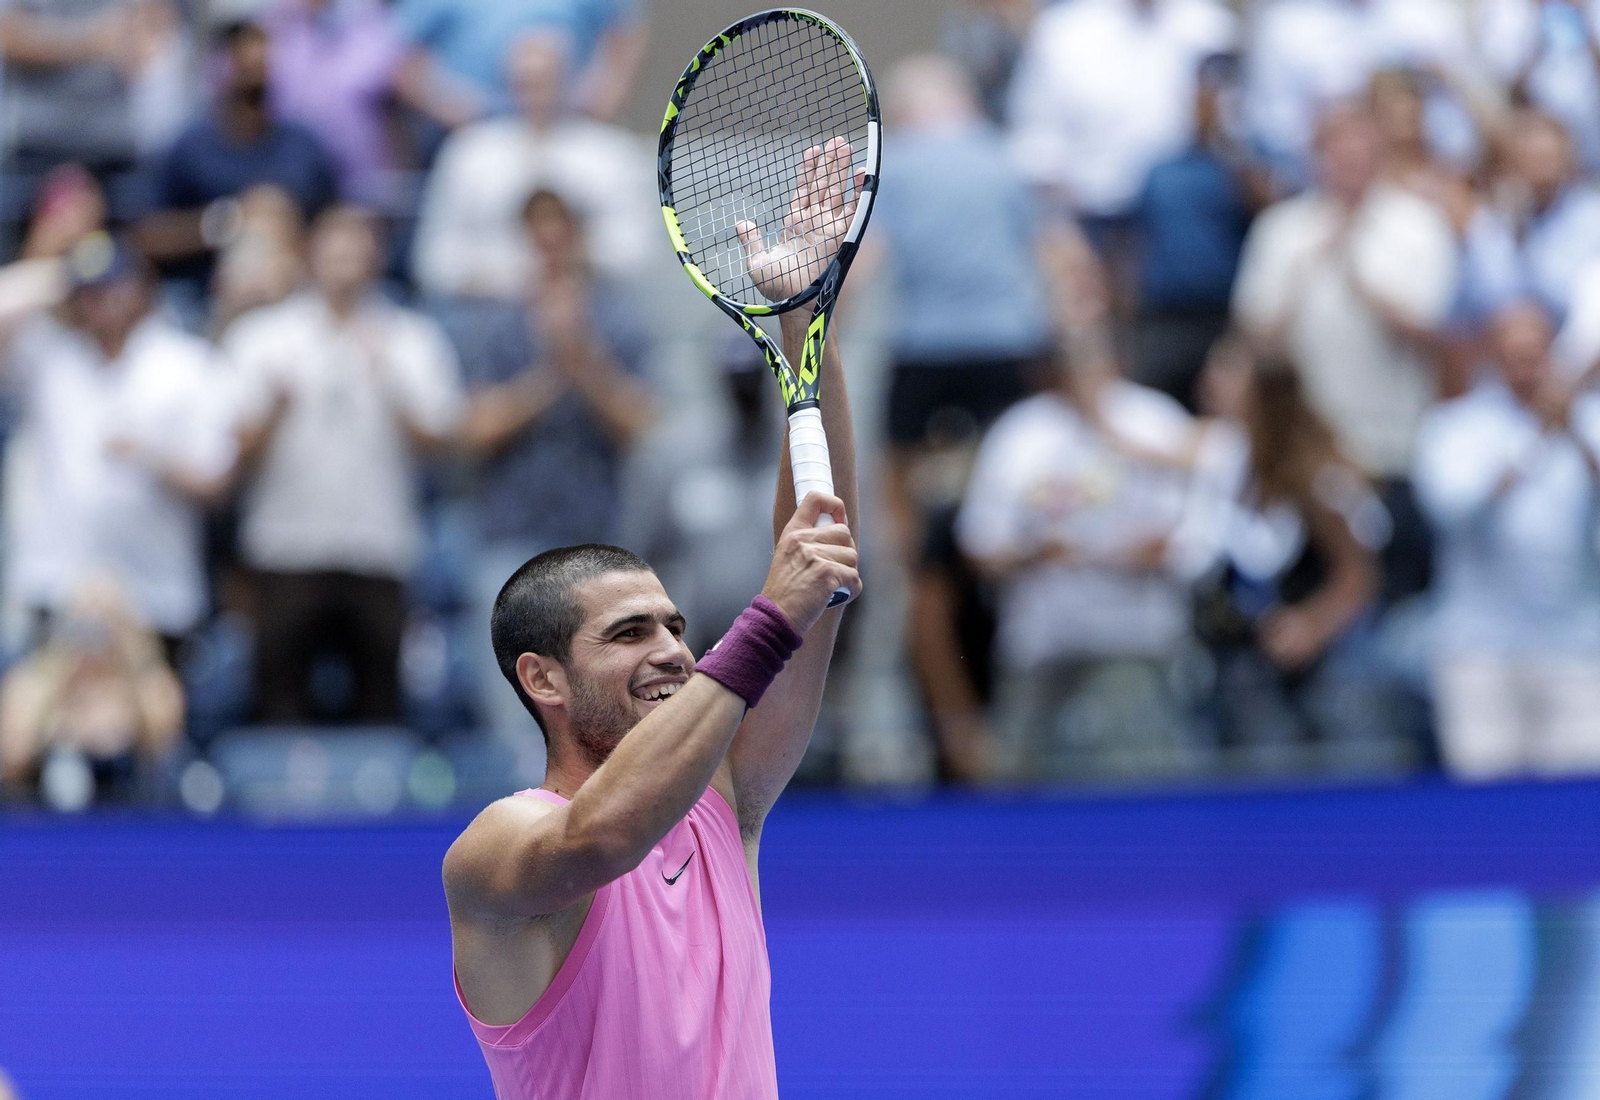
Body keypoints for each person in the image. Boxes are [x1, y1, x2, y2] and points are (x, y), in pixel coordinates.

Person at [443, 139, 863, 1098]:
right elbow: (601, 841)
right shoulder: (499, 848)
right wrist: (765, 619)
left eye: (674, 626)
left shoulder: (728, 790)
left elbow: (820, 535)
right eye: (628, 634)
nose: (672, 650)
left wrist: (807, 317)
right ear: (541, 678)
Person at [224, 206, 464, 725]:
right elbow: (232, 452)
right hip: (285, 546)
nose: (344, 263)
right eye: (333, 249)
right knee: (277, 705)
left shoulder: (411, 339)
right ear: (311, 254)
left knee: (379, 706)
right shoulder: (263, 337)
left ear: (376, 258)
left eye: (356, 249)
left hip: (379, 548)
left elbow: (439, 442)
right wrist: (273, 410)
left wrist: (393, 385)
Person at [956, 332, 1220, 783]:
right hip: (1038, 649)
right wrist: (1032, 553)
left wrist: (1089, 554)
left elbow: (1189, 545)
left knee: (1137, 784)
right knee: (1018, 791)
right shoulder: (1020, 431)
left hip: (1135, 643)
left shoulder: (1154, 420)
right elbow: (979, 547)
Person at [447, 188, 653, 743]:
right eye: (538, 240)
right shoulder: (496, 326)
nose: (550, 251)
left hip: (598, 544)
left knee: (609, 707)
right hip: (511, 539)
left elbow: (640, 424)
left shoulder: (618, 320)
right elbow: (475, 429)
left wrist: (582, 357)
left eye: (559, 237)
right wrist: (550, 374)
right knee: (514, 708)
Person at [1231, 103, 1457, 605]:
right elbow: (1254, 342)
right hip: (1302, 455)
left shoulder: (1418, 227)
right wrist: (1305, 274)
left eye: (1361, 148)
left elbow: (1436, 338)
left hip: (1388, 449)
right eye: (1337, 149)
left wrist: (1363, 280)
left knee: (1389, 597)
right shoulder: (1282, 230)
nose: (1349, 161)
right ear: (1317, 155)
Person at [2, 232, 235, 655]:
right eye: (87, 292)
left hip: (154, 589)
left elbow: (216, 481)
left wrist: (150, 456)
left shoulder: (186, 363)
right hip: (59, 581)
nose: (97, 303)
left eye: (110, 288)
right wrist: (58, 274)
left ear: (140, 289)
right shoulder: (51, 355)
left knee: (155, 714)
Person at [1193, 340, 1405, 773]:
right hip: (1255, 666)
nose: (1212, 385)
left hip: (1333, 669)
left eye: (1228, 375)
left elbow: (1358, 573)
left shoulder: (1318, 477)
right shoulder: (1232, 463)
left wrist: (1312, 625)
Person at [1414, 302, 1600, 778]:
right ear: (1491, 359)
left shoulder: (1590, 422)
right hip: (1480, 655)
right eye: (1513, 356)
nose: (1526, 368)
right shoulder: (1456, 428)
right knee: (1487, 814)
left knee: (1575, 810)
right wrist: (1537, 436)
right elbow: (1452, 509)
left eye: (1535, 354)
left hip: (1577, 648)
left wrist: (1575, 434)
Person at [410, 29, 653, 300]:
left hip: (593, 302)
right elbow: (434, 260)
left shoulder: (611, 152)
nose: (536, 92)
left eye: (547, 78)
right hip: (491, 308)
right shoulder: (469, 153)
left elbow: (637, 250)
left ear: (569, 78)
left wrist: (573, 263)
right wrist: (508, 277)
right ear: (507, 83)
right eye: (525, 81)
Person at [135, 18, 338, 313]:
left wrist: (285, 231)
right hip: (203, 300)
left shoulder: (303, 146)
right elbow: (148, 236)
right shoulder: (191, 147)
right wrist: (228, 221)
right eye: (239, 49)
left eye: (261, 48)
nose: (254, 60)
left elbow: (334, 226)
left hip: (296, 299)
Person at [1133, 50, 1269, 410]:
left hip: (1225, 319)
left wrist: (1229, 148)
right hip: (1164, 319)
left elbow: (1271, 212)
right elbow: (1134, 245)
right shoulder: (1163, 169)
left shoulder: (1250, 163)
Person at [0, 574, 184, 807]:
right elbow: (14, 757)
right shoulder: (32, 681)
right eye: (86, 620)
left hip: (135, 819)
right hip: (43, 824)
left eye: (107, 620)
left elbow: (162, 746)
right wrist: (61, 683)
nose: (96, 633)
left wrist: (129, 670)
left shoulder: (153, 683)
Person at [393, 0, 646, 128]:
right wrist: (459, 113)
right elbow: (402, 60)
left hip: (570, 126)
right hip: (471, 135)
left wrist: (600, 101)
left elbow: (625, 32)